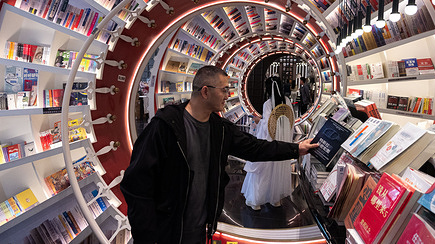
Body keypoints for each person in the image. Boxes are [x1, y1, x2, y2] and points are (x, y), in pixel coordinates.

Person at [120, 66, 318, 244]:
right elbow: (136, 185)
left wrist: (295, 149)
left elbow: (255, 148)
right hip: (166, 232)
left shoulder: (220, 129)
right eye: (224, 89)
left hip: (199, 231)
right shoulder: (165, 127)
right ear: (205, 91)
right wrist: (146, 235)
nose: (227, 94)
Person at [241, 76, 295, 210]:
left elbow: (267, 126)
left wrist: (258, 121)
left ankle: (256, 201)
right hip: (282, 142)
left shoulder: (268, 104)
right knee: (276, 171)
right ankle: (275, 199)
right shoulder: (287, 101)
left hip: (268, 143)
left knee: (261, 172)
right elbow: (290, 121)